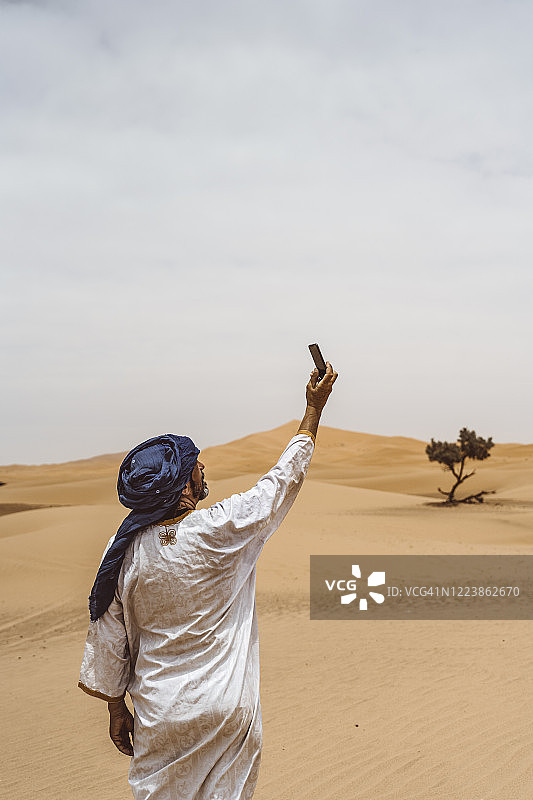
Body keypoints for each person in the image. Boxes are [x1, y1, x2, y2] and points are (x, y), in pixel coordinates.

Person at [78, 361, 338, 800]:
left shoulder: (120, 551)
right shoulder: (221, 530)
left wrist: (114, 706)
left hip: (160, 715)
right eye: (196, 466)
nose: (204, 469)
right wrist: (313, 409)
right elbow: (280, 484)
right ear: (182, 487)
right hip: (225, 708)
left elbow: (108, 634)